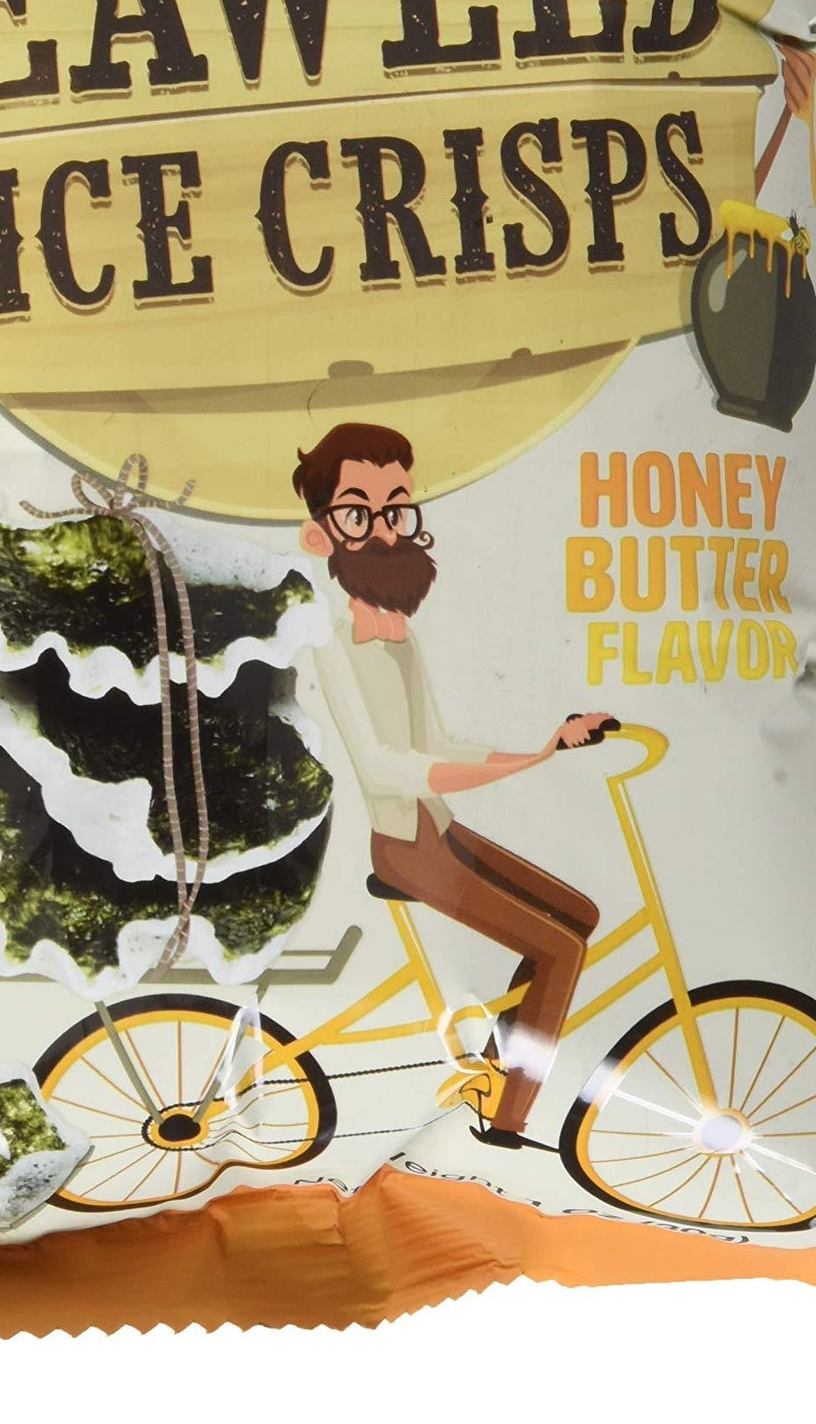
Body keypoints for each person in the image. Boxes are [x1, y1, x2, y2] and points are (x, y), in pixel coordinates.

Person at [295, 420, 614, 1149]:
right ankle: (508, 1118)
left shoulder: (399, 634)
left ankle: (496, 1065)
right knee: (562, 952)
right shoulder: (337, 645)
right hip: (406, 846)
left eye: (397, 510)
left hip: (434, 828)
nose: (385, 531)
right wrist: (528, 761)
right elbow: (383, 763)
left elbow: (436, 742)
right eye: (358, 515)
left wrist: (545, 746)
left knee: (581, 915)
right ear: (320, 537)